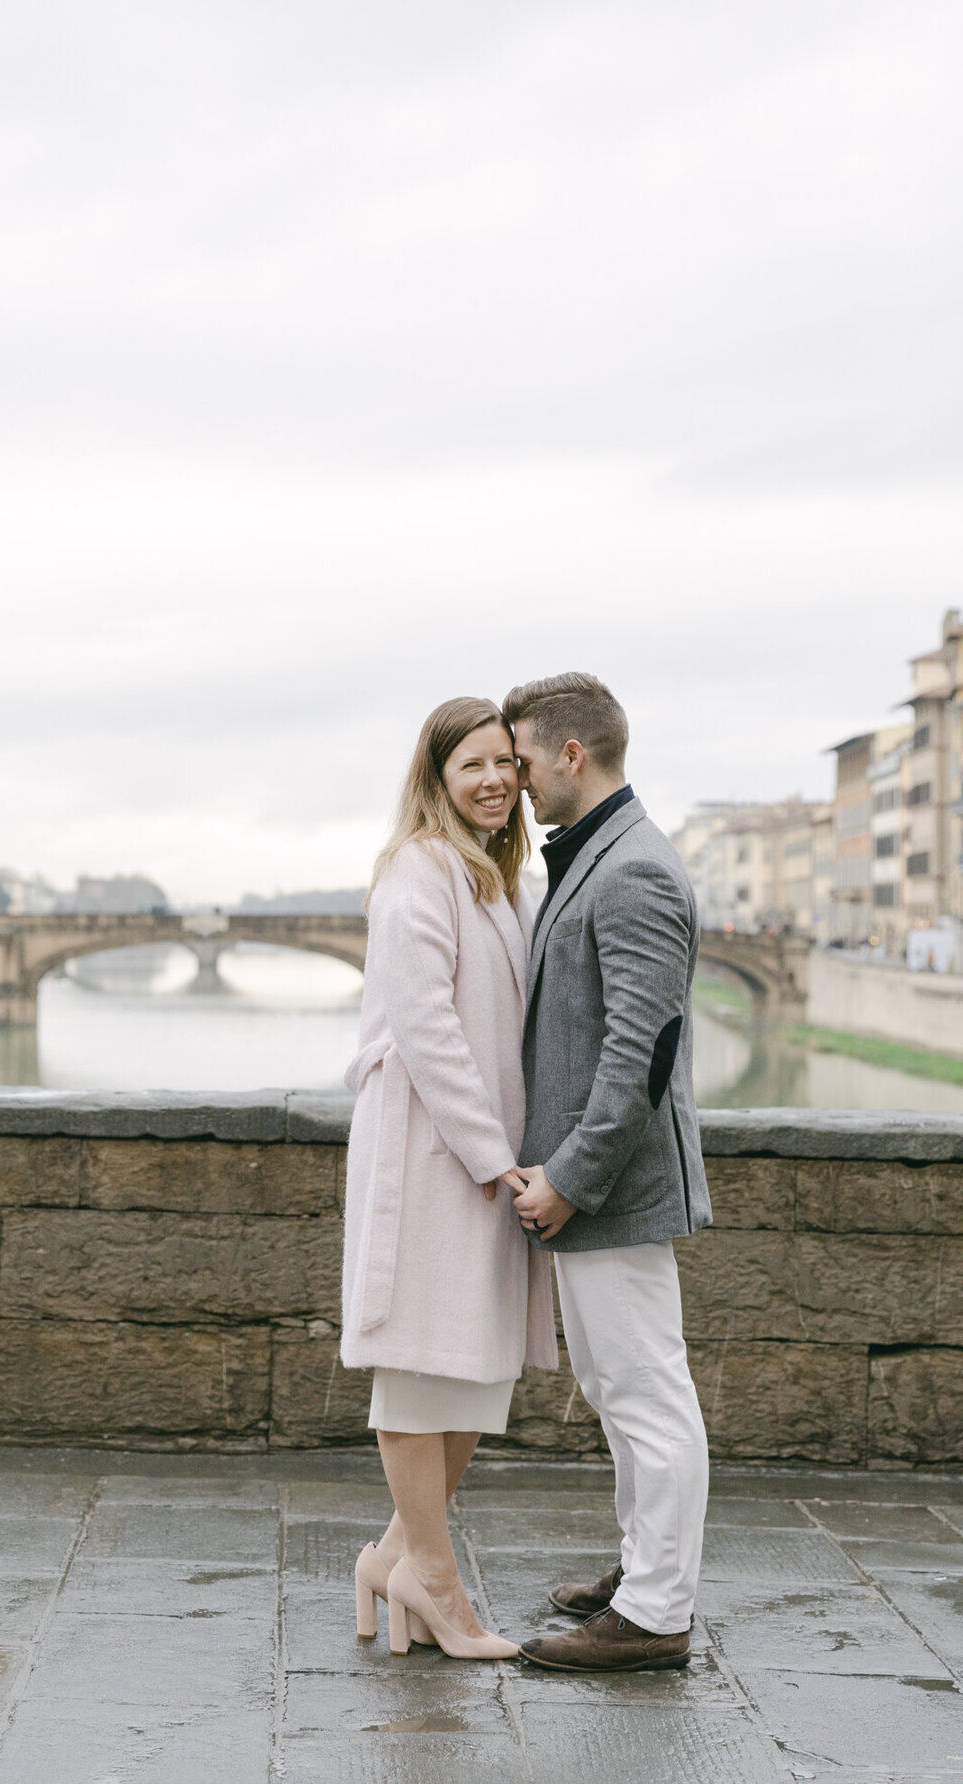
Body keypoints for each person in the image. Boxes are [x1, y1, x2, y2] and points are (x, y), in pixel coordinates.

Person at [501, 671, 711, 1675]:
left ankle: (658, 1616)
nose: (521, 781)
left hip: (612, 1191)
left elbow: (643, 1053)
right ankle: (644, 1573)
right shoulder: (599, 856)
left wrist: (572, 1178)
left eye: (527, 760)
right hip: (595, 1188)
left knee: (646, 1393)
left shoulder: (631, 871)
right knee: (619, 1389)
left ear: (572, 755)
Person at [341, 696, 558, 1661]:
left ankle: (393, 1557)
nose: (495, 780)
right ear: (435, 776)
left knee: (476, 1368)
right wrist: (489, 1156)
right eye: (472, 763)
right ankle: (434, 1579)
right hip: (434, 1155)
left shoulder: (506, 880)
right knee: (420, 1370)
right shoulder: (418, 873)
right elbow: (426, 1026)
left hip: (484, 1154)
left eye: (507, 763)